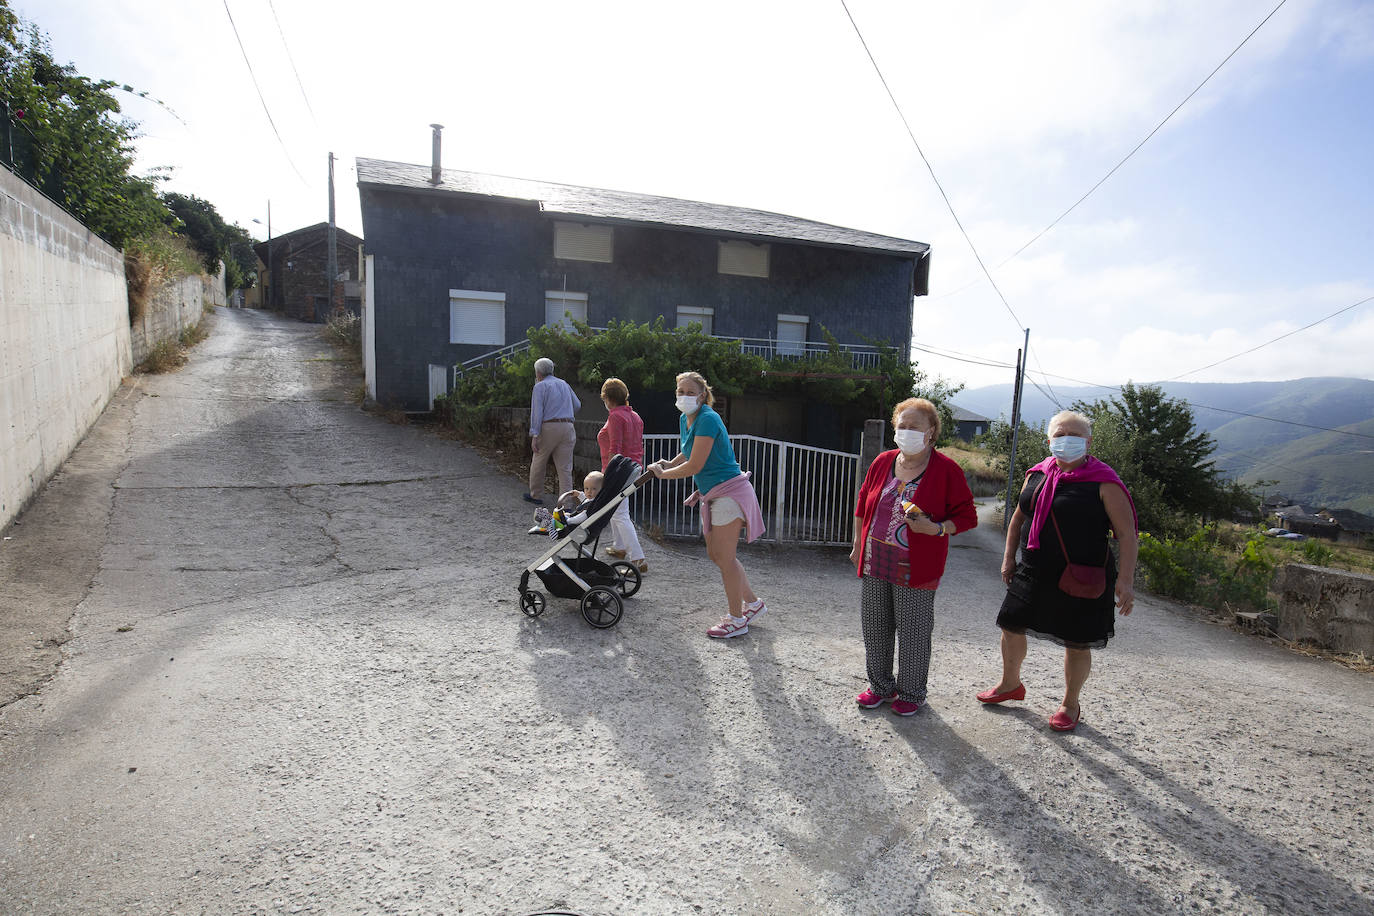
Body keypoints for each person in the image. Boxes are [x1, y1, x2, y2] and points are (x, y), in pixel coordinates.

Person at [978, 409, 1138, 732]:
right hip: (1034, 568)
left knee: (1078, 641)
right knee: (1010, 623)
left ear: (1088, 442)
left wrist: (1125, 580)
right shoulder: (1036, 474)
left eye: (1075, 436)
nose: (1067, 441)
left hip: (1084, 574)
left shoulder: (1104, 483)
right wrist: (1008, 558)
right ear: (1049, 440)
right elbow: (1018, 519)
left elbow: (1127, 535)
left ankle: (1070, 703)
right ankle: (1010, 684)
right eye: (1061, 435)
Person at [850, 398, 978, 716]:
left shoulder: (947, 470)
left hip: (916, 566)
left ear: (931, 432)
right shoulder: (883, 461)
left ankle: (912, 692)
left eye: (915, 427)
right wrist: (857, 544)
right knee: (875, 625)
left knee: (914, 629)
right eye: (902, 426)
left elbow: (968, 516)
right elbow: (863, 502)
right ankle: (880, 686)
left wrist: (935, 529)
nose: (906, 431)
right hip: (875, 559)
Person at [648, 371, 766, 639]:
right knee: (719, 556)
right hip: (715, 493)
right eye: (680, 391)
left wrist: (663, 475)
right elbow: (689, 452)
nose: (684, 396)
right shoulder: (685, 418)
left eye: (690, 392)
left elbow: (695, 465)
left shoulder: (708, 418)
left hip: (729, 493)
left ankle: (737, 619)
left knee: (725, 558)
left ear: (702, 395)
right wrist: (668, 463)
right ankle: (754, 604)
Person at [596, 378, 648, 574]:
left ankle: (638, 558)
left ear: (608, 399)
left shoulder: (615, 416)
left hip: (619, 470)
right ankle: (619, 547)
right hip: (633, 469)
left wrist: (608, 474)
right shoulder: (635, 416)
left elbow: (615, 447)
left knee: (619, 513)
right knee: (617, 510)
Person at [526, 357, 580, 505]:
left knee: (539, 460)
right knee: (565, 467)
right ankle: (566, 504)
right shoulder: (564, 384)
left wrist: (535, 435)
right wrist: (565, 412)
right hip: (568, 426)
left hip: (549, 427)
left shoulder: (540, 386)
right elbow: (577, 405)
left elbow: (537, 412)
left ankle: (535, 495)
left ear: (538, 372)